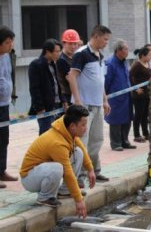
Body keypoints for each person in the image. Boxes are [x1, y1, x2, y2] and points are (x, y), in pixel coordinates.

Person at [20, 105, 95, 216]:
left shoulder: (66, 128)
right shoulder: (57, 143)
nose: (86, 128)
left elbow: (81, 146)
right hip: (29, 177)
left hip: (42, 170)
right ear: (73, 126)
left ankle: (65, 191)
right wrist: (78, 200)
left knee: (78, 152)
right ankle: (44, 197)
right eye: (83, 125)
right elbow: (68, 173)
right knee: (58, 168)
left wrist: (90, 169)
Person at [67, 25, 112, 184]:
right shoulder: (82, 54)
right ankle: (78, 176)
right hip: (84, 106)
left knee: (97, 140)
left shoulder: (99, 55)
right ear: (96, 36)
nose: (107, 43)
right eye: (105, 39)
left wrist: (105, 100)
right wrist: (78, 101)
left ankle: (93, 171)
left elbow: (100, 81)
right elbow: (71, 76)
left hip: (98, 104)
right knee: (81, 142)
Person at [28, 38, 65, 134]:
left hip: (58, 104)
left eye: (59, 51)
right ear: (47, 52)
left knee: (59, 133)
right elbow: (34, 88)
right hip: (46, 107)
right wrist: (40, 108)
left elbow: (58, 84)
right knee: (46, 134)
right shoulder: (36, 65)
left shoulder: (54, 64)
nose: (58, 54)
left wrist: (63, 100)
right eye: (56, 51)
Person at [104, 39, 135, 151]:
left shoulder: (125, 62)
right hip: (115, 98)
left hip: (127, 96)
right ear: (118, 51)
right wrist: (105, 96)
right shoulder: (110, 63)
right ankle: (116, 143)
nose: (127, 51)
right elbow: (106, 81)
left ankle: (125, 141)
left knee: (127, 119)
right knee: (115, 120)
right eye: (125, 49)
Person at [0, 26, 17, 188]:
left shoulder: (7, 56)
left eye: (11, 42)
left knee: (3, 139)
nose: (10, 45)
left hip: (4, 104)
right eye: (7, 42)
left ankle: (1, 171)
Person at [129, 47, 151, 143]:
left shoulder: (148, 64)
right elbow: (130, 76)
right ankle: (136, 135)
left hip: (147, 94)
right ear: (143, 55)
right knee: (138, 115)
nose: (150, 57)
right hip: (139, 95)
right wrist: (135, 88)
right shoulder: (136, 65)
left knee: (145, 115)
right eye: (149, 55)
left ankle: (146, 133)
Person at [57, 29, 81, 104]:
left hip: (77, 94)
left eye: (75, 44)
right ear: (63, 43)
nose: (73, 46)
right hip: (67, 97)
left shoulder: (76, 57)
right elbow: (71, 79)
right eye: (70, 44)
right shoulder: (61, 60)